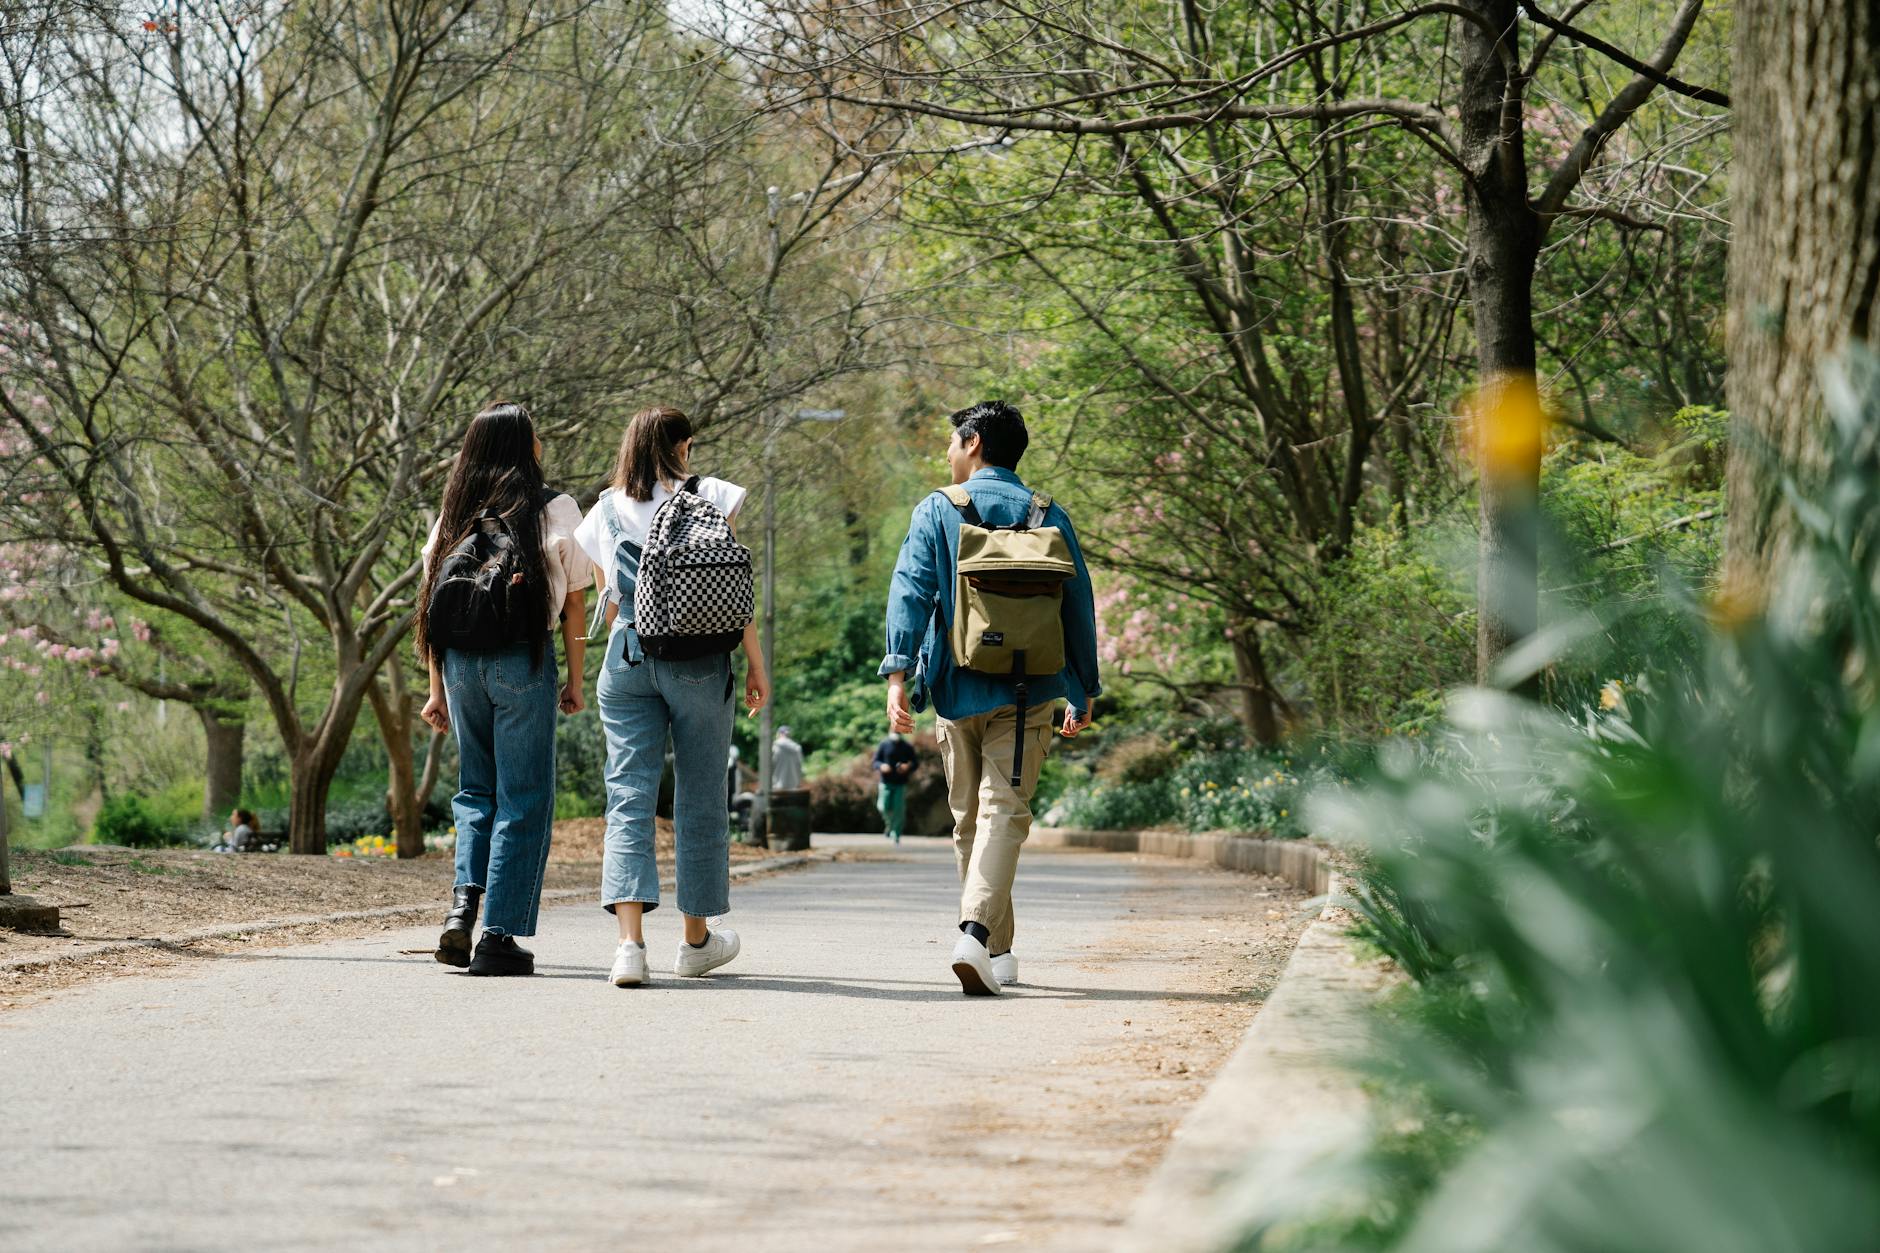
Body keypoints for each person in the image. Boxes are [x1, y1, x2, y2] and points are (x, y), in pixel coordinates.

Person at [882, 400, 1099, 996]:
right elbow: (1078, 606)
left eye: (953, 442)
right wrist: (1083, 688)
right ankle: (996, 950)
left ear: (973, 442)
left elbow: (911, 592)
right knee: (997, 815)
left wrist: (898, 674)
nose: (948, 453)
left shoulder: (937, 510)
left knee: (970, 822)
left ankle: (973, 933)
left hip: (956, 688)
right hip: (1032, 691)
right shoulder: (1048, 513)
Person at [574, 405, 769, 988]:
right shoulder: (713, 496)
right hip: (701, 663)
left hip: (628, 655)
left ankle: (629, 948)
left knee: (628, 796)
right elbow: (734, 590)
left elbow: (607, 593)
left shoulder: (603, 509)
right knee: (702, 796)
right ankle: (695, 941)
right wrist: (756, 665)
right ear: (684, 446)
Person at [419, 402, 588, 977]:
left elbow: (431, 607)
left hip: (461, 664)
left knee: (476, 792)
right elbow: (574, 602)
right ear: (524, 446)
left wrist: (436, 689)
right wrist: (575, 678)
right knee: (523, 797)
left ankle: (461, 911)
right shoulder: (554, 506)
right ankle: (498, 934)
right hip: (523, 660)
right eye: (535, 434)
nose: (541, 442)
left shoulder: (454, 510)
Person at [872, 733, 917, 843]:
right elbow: (875, 762)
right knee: (883, 807)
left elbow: (915, 763)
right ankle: (890, 825)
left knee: (898, 810)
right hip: (886, 782)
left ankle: (895, 834)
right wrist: (881, 766)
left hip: (900, 783)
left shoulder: (907, 746)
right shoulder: (884, 744)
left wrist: (907, 766)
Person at [771, 725, 805, 791]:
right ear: (789, 735)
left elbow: (769, 766)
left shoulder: (774, 747)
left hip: (777, 788)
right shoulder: (797, 748)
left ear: (779, 733)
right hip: (794, 788)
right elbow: (800, 767)